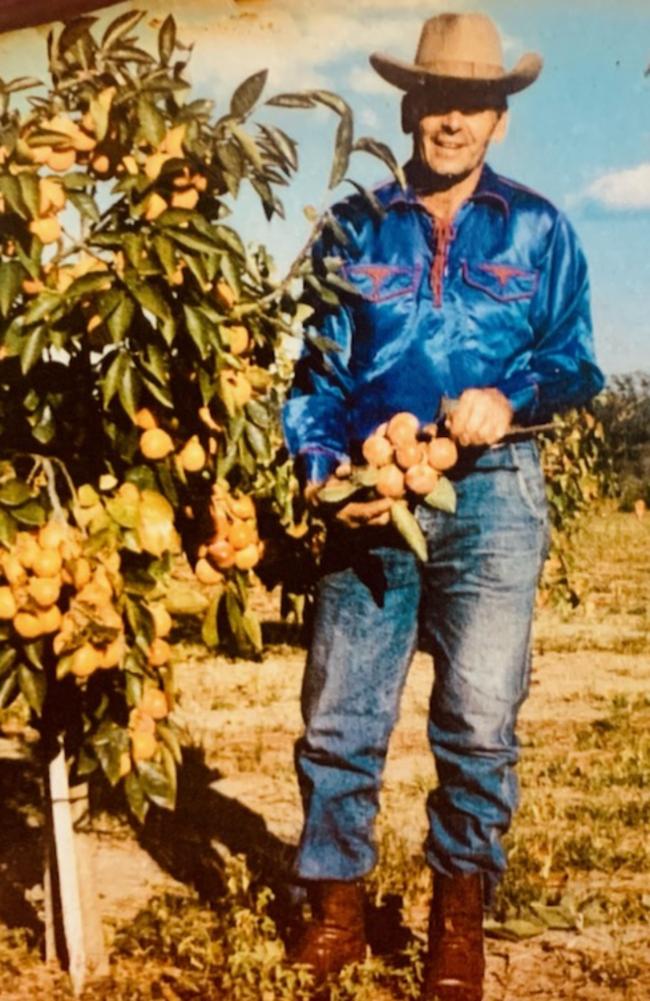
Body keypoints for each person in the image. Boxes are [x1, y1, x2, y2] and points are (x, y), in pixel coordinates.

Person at [281, 12, 605, 1001]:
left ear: (497, 119)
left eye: (473, 102)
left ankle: (452, 923)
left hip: (495, 491)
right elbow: (315, 377)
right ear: (407, 105)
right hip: (374, 494)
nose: (451, 118)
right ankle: (334, 908)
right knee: (340, 710)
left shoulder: (540, 229)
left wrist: (509, 396)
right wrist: (322, 460)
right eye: (435, 99)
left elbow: (574, 360)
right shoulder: (355, 224)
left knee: (477, 715)